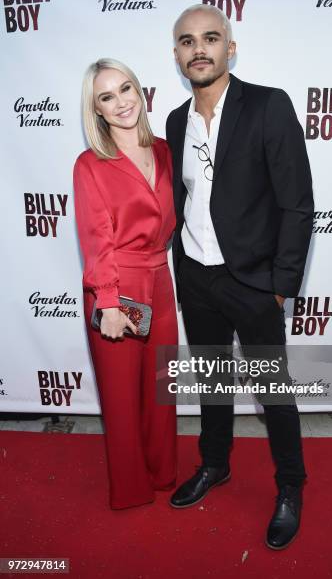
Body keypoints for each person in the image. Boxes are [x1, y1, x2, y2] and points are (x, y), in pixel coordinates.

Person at [166, 5, 314, 549]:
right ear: (177, 55)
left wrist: (280, 285)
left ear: (231, 48)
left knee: (273, 392)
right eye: (187, 41)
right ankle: (214, 464)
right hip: (196, 275)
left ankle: (291, 487)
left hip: (254, 282)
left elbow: (298, 204)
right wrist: (183, 266)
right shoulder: (177, 121)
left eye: (210, 38)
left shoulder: (269, 106)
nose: (198, 49)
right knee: (211, 382)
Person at [73, 58, 177, 510]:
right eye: (106, 97)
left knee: (161, 389)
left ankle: (163, 473)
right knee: (120, 398)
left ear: (140, 91)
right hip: (116, 285)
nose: (120, 103)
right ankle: (131, 489)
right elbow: (96, 240)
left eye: (126, 89)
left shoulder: (164, 151)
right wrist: (109, 303)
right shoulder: (90, 164)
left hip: (161, 279)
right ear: (96, 110)